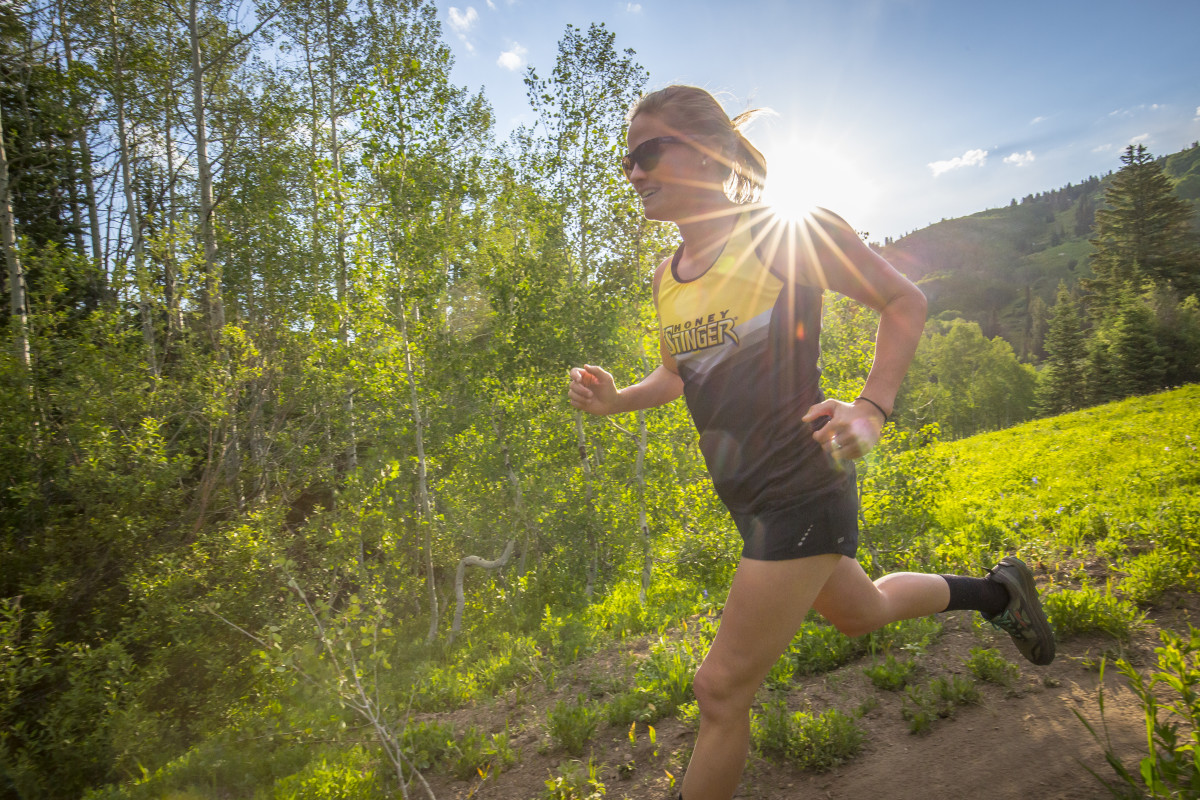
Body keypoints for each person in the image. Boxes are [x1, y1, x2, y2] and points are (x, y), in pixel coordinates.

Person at [567, 85, 1055, 800]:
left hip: (802, 485)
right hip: (751, 501)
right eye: (626, 161)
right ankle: (996, 593)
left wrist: (872, 407)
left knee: (721, 690)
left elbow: (904, 301)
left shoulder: (783, 235)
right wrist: (618, 401)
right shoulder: (666, 280)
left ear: (706, 154)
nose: (634, 173)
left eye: (648, 153)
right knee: (861, 613)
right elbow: (675, 376)